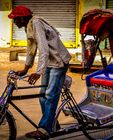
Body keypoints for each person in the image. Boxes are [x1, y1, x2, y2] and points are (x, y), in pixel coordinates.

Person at [8, 5, 71, 139]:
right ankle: (52, 124)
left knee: (50, 96)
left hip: (59, 62)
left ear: (22, 18)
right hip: (50, 62)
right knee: (42, 96)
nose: (14, 22)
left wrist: (38, 72)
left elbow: (43, 49)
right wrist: (26, 68)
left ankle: (44, 129)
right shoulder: (28, 26)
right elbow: (31, 48)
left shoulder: (36, 23)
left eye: (15, 19)